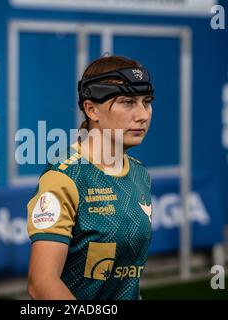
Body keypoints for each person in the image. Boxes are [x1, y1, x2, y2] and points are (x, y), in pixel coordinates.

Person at [26, 55, 155, 299]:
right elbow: (41, 283)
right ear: (91, 108)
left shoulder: (140, 173)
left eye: (146, 102)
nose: (142, 114)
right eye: (127, 102)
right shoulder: (65, 177)